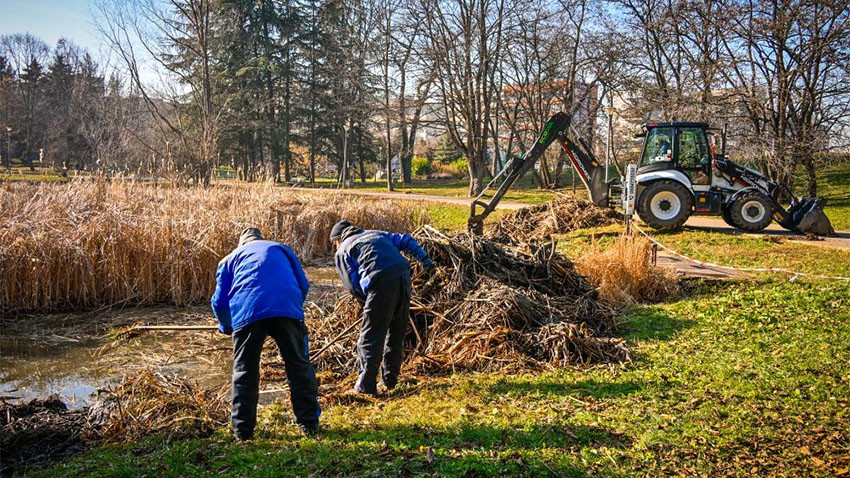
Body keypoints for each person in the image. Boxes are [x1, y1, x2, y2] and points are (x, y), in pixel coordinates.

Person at [211, 227, 321, 440]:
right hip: (286, 309)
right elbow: (303, 284)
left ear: (242, 244)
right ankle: (309, 425)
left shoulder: (229, 259)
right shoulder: (281, 248)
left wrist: (227, 327)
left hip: (247, 312)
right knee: (298, 366)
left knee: (245, 372)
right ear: (260, 239)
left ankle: (242, 432)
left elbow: (219, 302)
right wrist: (293, 308)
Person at [329, 220, 435, 395]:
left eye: (334, 244)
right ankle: (390, 380)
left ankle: (365, 386)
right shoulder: (376, 233)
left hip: (379, 282)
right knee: (396, 331)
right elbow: (406, 239)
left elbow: (351, 284)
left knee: (371, 336)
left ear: (337, 240)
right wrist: (425, 260)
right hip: (403, 277)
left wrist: (367, 302)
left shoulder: (343, 250)